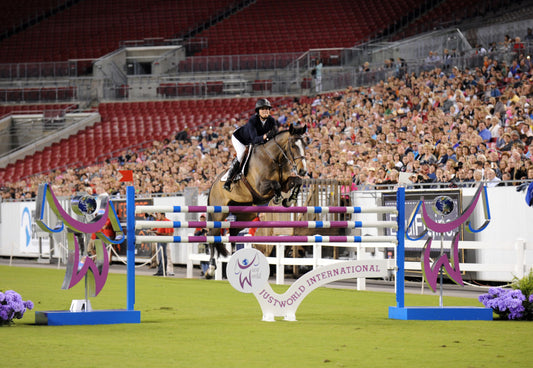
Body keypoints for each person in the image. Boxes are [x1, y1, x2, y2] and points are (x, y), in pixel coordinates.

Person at [224, 98, 279, 191]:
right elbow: (254, 140)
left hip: (255, 140)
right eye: (263, 109)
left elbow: (275, 134)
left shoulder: (272, 121)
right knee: (241, 154)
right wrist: (265, 136)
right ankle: (228, 179)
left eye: (267, 109)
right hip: (240, 138)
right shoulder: (253, 120)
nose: (265, 111)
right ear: (258, 111)